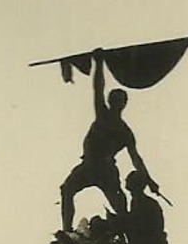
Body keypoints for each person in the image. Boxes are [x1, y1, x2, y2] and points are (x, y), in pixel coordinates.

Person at [59, 51, 157, 231]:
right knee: (66, 190)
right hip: (88, 166)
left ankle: (130, 235)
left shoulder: (125, 131)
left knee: (120, 207)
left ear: (123, 104)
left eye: (119, 101)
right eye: (114, 100)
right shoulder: (102, 115)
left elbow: (136, 159)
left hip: (106, 171)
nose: (116, 103)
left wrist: (149, 180)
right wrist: (99, 63)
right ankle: (67, 230)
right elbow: (98, 87)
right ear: (110, 101)